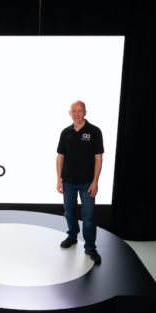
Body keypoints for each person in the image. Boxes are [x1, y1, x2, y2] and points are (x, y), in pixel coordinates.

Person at [56, 100, 103, 264]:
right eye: (74, 111)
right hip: (68, 181)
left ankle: (90, 247)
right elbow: (60, 157)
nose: (77, 114)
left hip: (87, 183)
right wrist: (59, 180)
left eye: (80, 111)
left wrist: (95, 182)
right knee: (69, 212)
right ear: (70, 113)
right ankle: (72, 236)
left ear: (85, 112)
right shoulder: (65, 132)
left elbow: (98, 158)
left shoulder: (94, 131)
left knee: (88, 217)